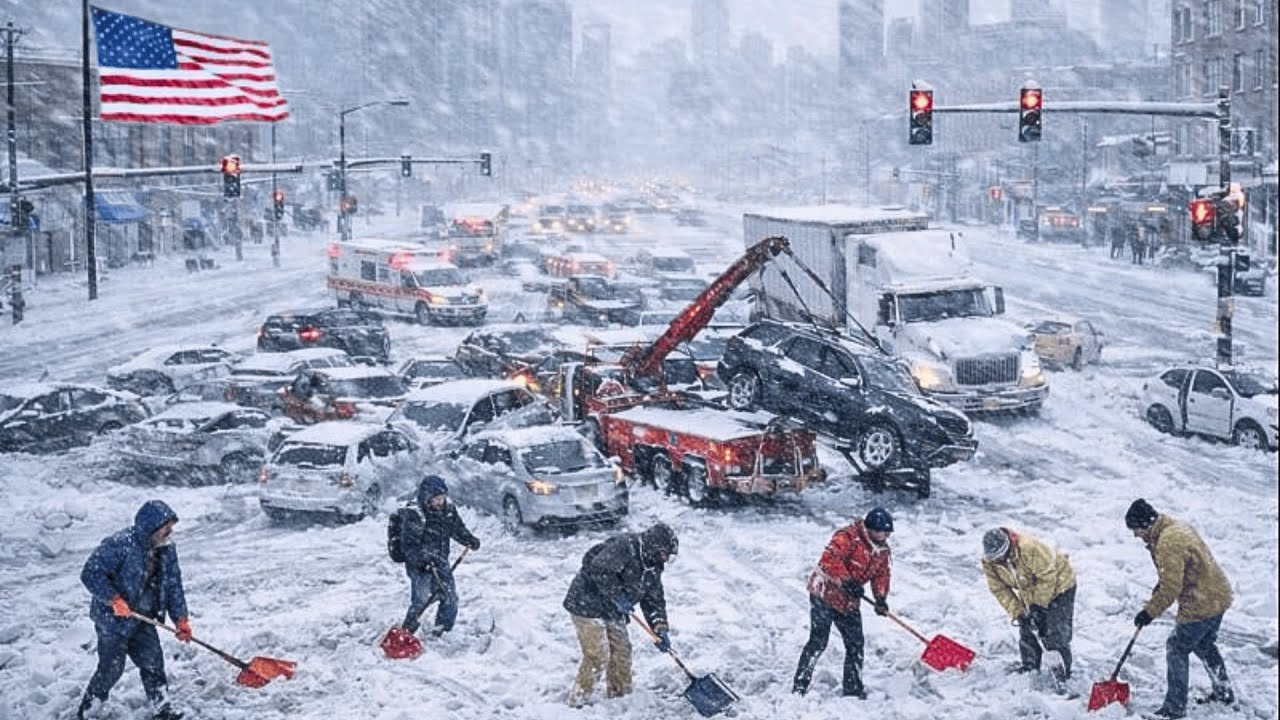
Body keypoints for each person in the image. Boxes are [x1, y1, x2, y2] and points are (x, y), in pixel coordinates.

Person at [76, 500, 190, 720]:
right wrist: (113, 599)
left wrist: (181, 619)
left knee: (153, 663)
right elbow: (90, 573)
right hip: (112, 620)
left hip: (143, 618)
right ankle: (87, 713)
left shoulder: (166, 548)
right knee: (111, 669)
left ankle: (162, 709)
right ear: (151, 526)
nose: (170, 532)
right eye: (166, 527)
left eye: (170, 527)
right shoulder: (120, 544)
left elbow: (173, 584)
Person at [1126, 498, 1235, 719]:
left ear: (1146, 524)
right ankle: (1223, 692)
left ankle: (1174, 707)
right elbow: (1170, 576)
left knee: (1176, 647)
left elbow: (1171, 587)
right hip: (1217, 595)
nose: (1136, 535)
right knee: (1204, 644)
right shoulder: (1173, 527)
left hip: (1202, 602)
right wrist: (1152, 603)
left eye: (1136, 530)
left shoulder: (1168, 542)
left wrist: (1149, 612)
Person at [562, 522, 678, 707]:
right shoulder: (625, 547)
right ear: (653, 548)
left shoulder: (654, 566)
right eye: (664, 554)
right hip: (587, 604)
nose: (665, 559)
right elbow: (599, 569)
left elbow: (653, 599)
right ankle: (578, 702)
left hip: (613, 609)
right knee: (598, 655)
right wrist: (617, 594)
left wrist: (660, 627)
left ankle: (620, 698)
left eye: (668, 556)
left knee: (622, 653)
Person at [792, 507, 893, 699]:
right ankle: (800, 686)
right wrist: (846, 581)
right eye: (883, 531)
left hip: (848, 602)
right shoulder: (847, 537)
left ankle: (853, 690)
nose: (886, 536)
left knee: (856, 644)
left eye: (888, 533)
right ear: (870, 529)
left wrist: (880, 598)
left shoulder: (882, 550)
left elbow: (882, 574)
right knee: (818, 642)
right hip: (824, 594)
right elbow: (828, 560)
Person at [980, 527, 1077, 681]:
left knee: (1055, 632)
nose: (999, 561)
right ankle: (1030, 668)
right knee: (1028, 629)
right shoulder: (990, 562)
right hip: (1030, 589)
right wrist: (1018, 612)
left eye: (1001, 556)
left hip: (1060, 586)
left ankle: (1063, 674)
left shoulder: (1029, 548)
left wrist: (1038, 607)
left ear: (1008, 547)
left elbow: (1047, 577)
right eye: (995, 558)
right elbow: (999, 589)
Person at [399, 475, 481, 637]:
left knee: (449, 596)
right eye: (436, 499)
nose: (440, 502)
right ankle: (406, 632)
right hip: (420, 565)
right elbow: (409, 546)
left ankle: (442, 631)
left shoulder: (448, 510)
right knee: (422, 599)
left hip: (440, 561)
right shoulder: (415, 514)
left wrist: (469, 539)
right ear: (426, 497)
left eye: (442, 498)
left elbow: (457, 529)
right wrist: (424, 559)